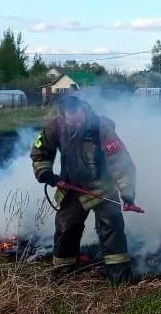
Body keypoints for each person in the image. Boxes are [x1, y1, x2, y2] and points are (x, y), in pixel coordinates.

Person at [30, 94, 139, 281]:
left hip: (103, 188)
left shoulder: (101, 127)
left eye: (79, 121)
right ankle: (63, 273)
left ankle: (119, 278)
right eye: (72, 123)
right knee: (66, 228)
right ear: (63, 116)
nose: (77, 126)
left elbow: (121, 163)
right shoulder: (55, 127)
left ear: (83, 110)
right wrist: (47, 174)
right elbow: (40, 153)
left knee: (112, 229)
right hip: (71, 188)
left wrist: (127, 196)